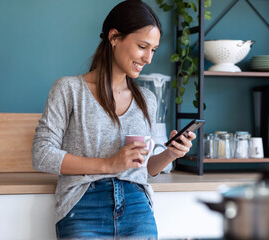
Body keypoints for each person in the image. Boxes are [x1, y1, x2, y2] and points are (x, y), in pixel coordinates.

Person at [32, 0, 196, 239]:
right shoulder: (68, 89)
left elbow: (143, 168)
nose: (148, 58)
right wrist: (109, 165)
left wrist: (171, 154)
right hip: (83, 204)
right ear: (114, 37)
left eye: (153, 49)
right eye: (142, 46)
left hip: (137, 208)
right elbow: (42, 155)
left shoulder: (146, 99)